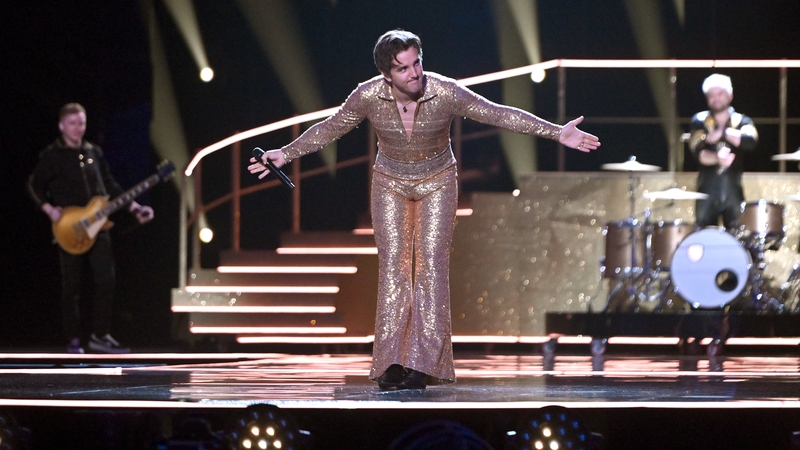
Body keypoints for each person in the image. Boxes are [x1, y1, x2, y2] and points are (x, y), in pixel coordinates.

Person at [249, 30, 600, 390]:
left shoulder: (444, 91)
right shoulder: (368, 94)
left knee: (430, 266)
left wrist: (556, 132)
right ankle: (391, 362)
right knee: (394, 267)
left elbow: (497, 114)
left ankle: (423, 364)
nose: (414, 73)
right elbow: (331, 128)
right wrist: (285, 153)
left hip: (438, 181)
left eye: (417, 63)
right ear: (387, 74)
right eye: (403, 68)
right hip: (389, 182)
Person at [28, 103, 154, 354]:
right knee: (72, 286)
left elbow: (111, 186)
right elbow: (34, 185)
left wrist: (134, 207)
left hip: (98, 226)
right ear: (62, 125)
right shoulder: (53, 155)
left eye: (82, 123)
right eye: (73, 123)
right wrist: (49, 209)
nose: (78, 128)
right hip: (69, 227)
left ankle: (100, 335)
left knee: (106, 279)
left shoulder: (93, 151)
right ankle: (74, 338)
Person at [688, 74, 758, 229]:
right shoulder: (699, 121)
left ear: (730, 96)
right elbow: (698, 153)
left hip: (733, 192)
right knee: (705, 239)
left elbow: (750, 141)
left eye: (720, 94)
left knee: (737, 240)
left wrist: (723, 133)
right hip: (706, 192)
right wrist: (717, 158)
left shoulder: (742, 121)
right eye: (711, 95)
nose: (716, 99)